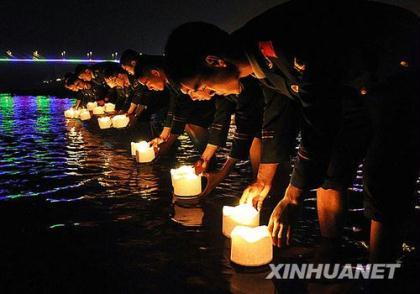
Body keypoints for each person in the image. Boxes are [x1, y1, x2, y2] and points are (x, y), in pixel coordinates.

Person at [164, 0, 420, 264]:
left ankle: (383, 270)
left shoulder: (286, 41)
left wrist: (293, 196)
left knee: (384, 173)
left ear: (215, 61)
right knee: (330, 167)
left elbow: (319, 121)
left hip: (397, 70)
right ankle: (329, 248)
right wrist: (263, 181)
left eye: (196, 86)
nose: (198, 96)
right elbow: (277, 117)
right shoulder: (255, 58)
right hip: (349, 89)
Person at [133, 54, 217, 158]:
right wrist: (163, 137)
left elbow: (183, 106)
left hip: (209, 100)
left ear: (155, 73)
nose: (149, 88)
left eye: (147, 83)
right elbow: (174, 106)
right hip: (203, 101)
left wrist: (168, 143)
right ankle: (207, 161)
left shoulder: (177, 76)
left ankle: (208, 162)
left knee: (193, 124)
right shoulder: (170, 81)